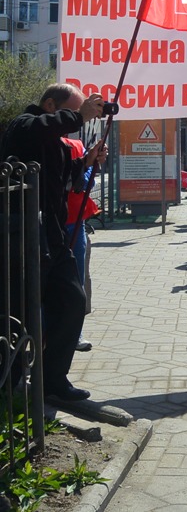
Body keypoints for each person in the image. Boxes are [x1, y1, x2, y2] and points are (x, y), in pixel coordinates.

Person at [0, 82, 105, 400]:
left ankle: (53, 379)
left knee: (73, 301)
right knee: (22, 310)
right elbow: (38, 129)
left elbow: (62, 181)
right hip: (25, 237)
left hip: (54, 237)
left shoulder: (56, 142)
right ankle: (10, 381)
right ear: (49, 105)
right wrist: (79, 116)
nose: (79, 118)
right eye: (73, 111)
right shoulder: (25, 124)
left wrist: (86, 163)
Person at [62, 138, 100, 353]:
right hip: (50, 221)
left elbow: (88, 182)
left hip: (75, 221)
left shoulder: (76, 145)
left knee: (76, 279)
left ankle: (74, 333)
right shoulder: (38, 141)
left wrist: (88, 167)